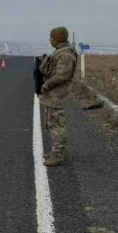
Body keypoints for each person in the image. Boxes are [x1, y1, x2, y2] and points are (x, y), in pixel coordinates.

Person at [39, 27, 78, 167]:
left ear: (58, 39)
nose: (50, 40)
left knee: (56, 125)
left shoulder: (65, 55)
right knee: (51, 124)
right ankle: (55, 151)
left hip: (57, 95)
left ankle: (58, 155)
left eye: (52, 38)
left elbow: (62, 75)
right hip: (53, 95)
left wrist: (46, 85)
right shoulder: (60, 52)